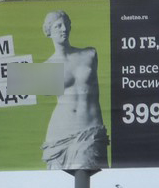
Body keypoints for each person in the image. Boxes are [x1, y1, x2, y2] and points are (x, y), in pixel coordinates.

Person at [41, 10, 109, 170]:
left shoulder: (89, 54)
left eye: (66, 25)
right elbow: (6, 84)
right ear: (49, 31)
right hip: (59, 135)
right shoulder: (46, 67)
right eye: (58, 26)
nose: (63, 29)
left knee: (88, 176)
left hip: (89, 130)